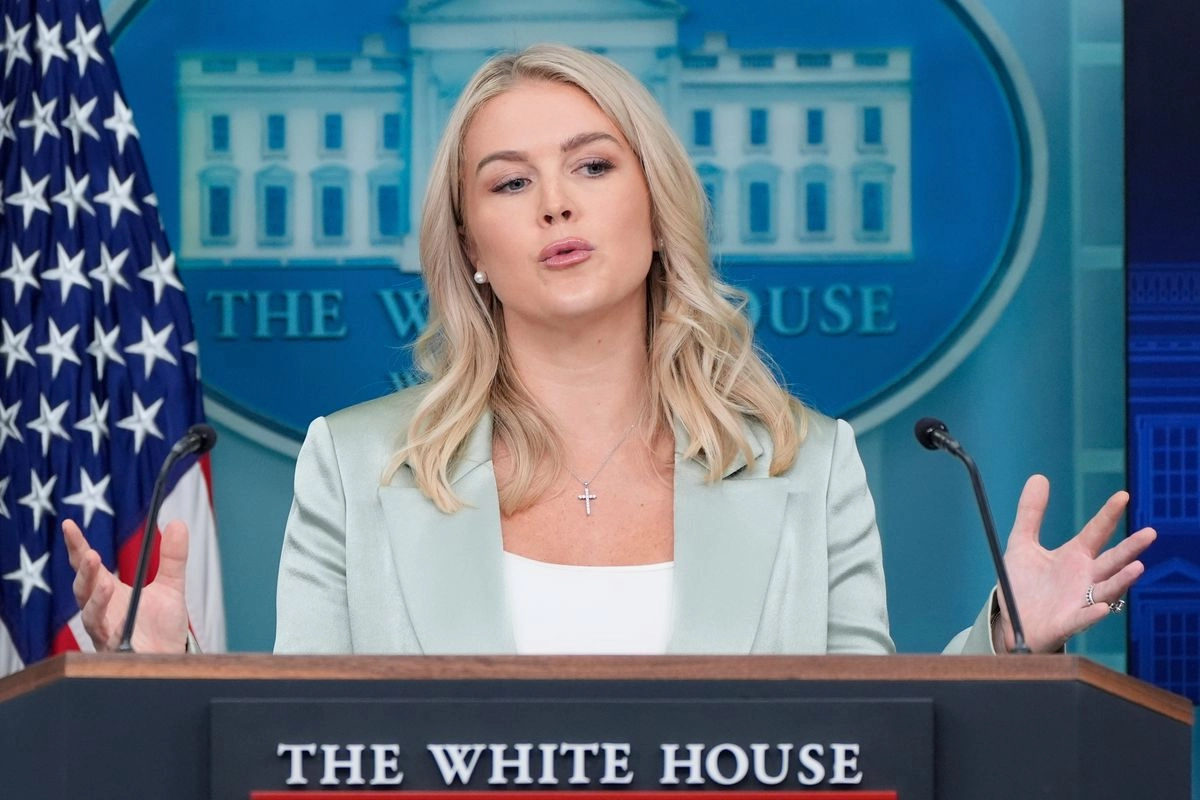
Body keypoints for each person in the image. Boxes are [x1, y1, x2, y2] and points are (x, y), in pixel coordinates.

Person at [63, 44, 1155, 656]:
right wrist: (162, 678)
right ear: (472, 247)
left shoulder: (804, 461)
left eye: (592, 165)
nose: (553, 204)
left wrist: (1007, 645)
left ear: (655, 205)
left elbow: (864, 735)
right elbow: (300, 748)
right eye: (507, 180)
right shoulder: (353, 466)